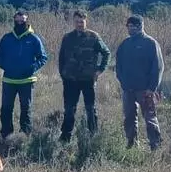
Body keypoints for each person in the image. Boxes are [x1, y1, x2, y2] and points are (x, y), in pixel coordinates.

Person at [57, 9, 111, 142]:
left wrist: (100, 70)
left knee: (90, 109)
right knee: (69, 109)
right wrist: (63, 74)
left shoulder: (93, 37)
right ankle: (65, 137)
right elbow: (61, 58)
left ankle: (93, 136)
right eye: (77, 22)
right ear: (73, 22)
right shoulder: (67, 38)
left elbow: (106, 53)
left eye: (82, 22)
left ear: (86, 21)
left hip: (88, 80)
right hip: (70, 80)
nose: (79, 24)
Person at [0, 11, 49, 138]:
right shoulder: (7, 38)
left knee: (26, 109)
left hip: (27, 81)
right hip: (9, 80)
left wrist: (33, 68)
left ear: (26, 21)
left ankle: (25, 136)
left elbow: (43, 57)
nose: (20, 23)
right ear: (14, 20)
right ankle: (6, 135)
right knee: (6, 109)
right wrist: (5, 66)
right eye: (17, 21)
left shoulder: (34, 39)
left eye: (22, 21)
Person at [115, 14, 164, 150]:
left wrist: (152, 88)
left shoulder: (151, 43)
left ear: (141, 26)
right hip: (128, 90)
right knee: (129, 118)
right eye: (129, 26)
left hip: (145, 90)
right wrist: (123, 83)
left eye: (134, 26)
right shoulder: (125, 44)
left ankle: (155, 146)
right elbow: (118, 66)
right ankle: (131, 145)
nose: (131, 29)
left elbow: (158, 67)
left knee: (150, 118)